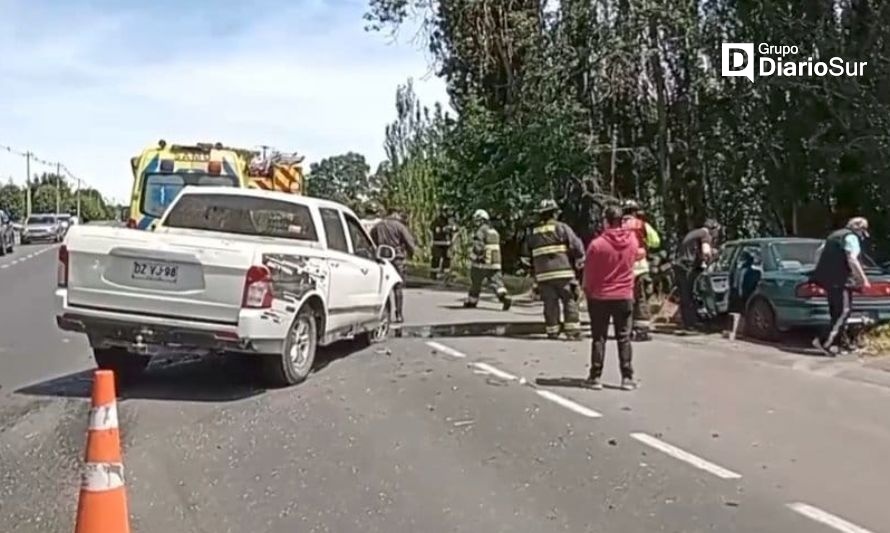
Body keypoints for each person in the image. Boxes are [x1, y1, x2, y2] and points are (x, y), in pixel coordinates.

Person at [583, 205, 639, 390]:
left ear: (606, 221)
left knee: (599, 337)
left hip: (599, 296)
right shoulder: (632, 241)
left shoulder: (597, 245)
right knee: (624, 337)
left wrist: (587, 291)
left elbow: (589, 273)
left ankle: (595, 377)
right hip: (624, 295)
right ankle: (627, 378)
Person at [522, 199, 586, 339]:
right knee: (569, 300)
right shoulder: (561, 228)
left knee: (550, 303)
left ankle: (552, 331)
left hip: (543, 276)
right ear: (554, 213)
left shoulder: (532, 232)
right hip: (564, 273)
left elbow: (526, 257)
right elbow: (576, 246)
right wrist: (579, 259)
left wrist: (534, 270)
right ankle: (573, 332)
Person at [811, 217, 871, 356]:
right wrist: (863, 279)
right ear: (859, 229)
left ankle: (838, 344)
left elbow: (818, 253)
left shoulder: (834, 236)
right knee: (843, 311)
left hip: (828, 280)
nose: (862, 236)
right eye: (863, 232)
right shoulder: (851, 238)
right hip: (841, 280)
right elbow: (852, 259)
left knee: (836, 311)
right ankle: (823, 341)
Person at [621, 199, 661, 341]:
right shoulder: (642, 224)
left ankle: (625, 329)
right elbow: (655, 241)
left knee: (625, 300)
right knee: (641, 298)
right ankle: (641, 331)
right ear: (635, 211)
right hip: (640, 267)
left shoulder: (617, 225)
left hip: (622, 269)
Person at [370, 208, 416, 323]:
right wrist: (412, 254)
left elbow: (371, 242)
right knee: (398, 287)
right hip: (396, 259)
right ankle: (399, 314)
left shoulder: (377, 227)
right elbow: (409, 242)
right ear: (394, 214)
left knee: (381, 287)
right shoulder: (399, 226)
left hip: (381, 259)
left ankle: (381, 313)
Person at [675, 219, 721, 329]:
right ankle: (692, 323)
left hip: (680, 266)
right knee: (690, 295)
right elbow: (706, 251)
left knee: (685, 296)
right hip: (688, 268)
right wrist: (711, 257)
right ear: (712, 229)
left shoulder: (694, 232)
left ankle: (687, 322)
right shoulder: (705, 234)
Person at [464, 209, 512, 310]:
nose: (476, 223)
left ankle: (472, 301)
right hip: (495, 262)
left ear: (482, 220)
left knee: (476, 281)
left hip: (482, 262)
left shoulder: (481, 230)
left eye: (477, 220)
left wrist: (473, 256)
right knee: (496, 282)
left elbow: (479, 246)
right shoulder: (494, 231)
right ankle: (504, 297)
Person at [430, 209, 457, 280]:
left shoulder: (451, 220)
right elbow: (434, 229)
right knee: (436, 258)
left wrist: (452, 229)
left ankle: (446, 275)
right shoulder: (437, 220)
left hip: (447, 244)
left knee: (447, 259)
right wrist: (443, 229)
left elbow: (456, 229)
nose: (447, 213)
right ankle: (433, 274)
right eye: (446, 211)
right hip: (438, 243)